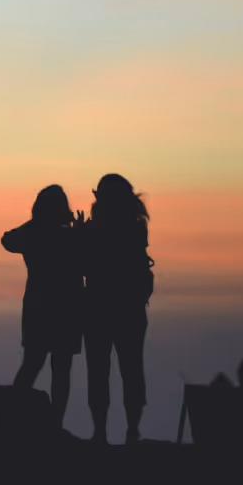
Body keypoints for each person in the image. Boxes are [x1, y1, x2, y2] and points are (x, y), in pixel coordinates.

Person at [1, 185, 84, 427]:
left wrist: (36, 225)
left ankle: (12, 416)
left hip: (39, 306)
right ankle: (56, 422)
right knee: (61, 368)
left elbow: (8, 239)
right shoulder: (70, 236)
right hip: (67, 307)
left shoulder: (34, 233)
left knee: (33, 362)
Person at [81, 174, 153, 444]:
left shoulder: (96, 229)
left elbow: (84, 265)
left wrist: (81, 234)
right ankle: (131, 431)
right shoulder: (137, 227)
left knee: (98, 371)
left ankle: (100, 432)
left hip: (99, 307)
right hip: (130, 308)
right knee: (132, 369)